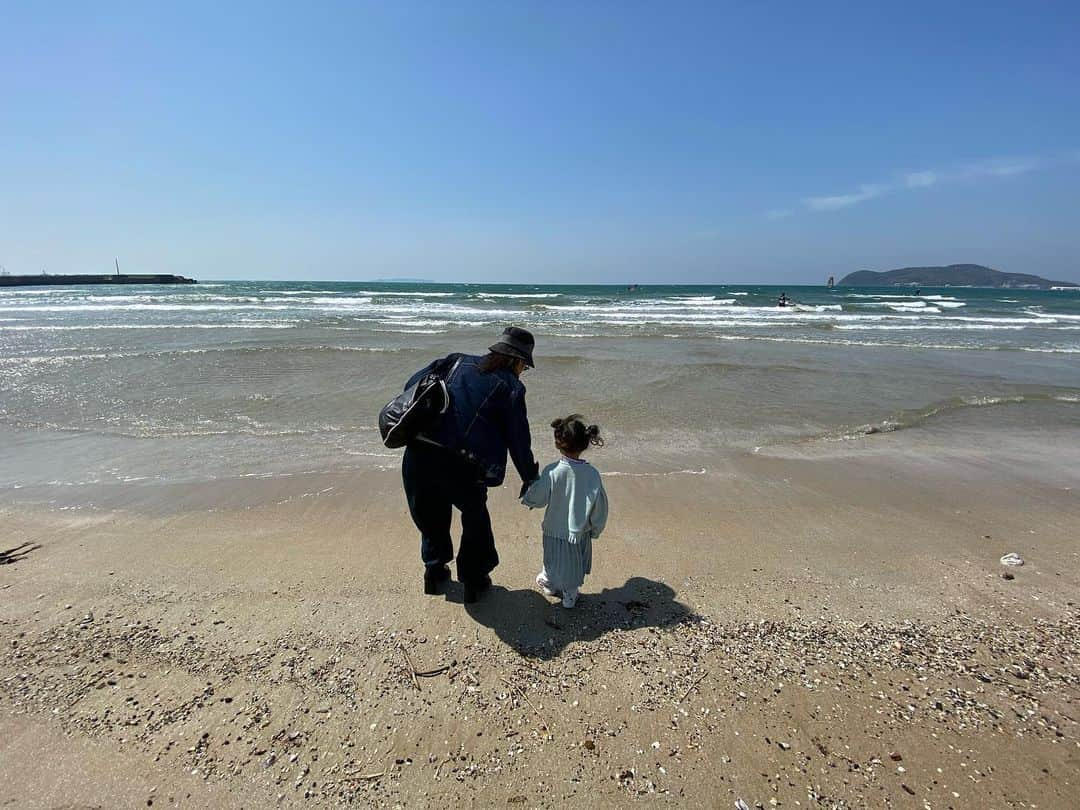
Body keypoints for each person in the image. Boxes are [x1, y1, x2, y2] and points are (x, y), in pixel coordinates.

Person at [400, 327, 539, 604]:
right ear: (517, 361)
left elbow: (412, 385)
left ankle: (434, 572)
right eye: (525, 365)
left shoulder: (455, 361)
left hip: (418, 453)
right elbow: (518, 438)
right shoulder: (511, 386)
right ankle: (474, 581)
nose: (524, 371)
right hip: (462, 466)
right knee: (475, 518)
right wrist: (529, 476)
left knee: (430, 514)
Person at [521, 415, 609, 608]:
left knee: (551, 558)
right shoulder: (592, 474)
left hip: (554, 529)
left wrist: (528, 498)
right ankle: (570, 595)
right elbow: (599, 507)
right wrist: (596, 528)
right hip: (579, 532)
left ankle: (550, 584)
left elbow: (539, 496)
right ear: (585, 444)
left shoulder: (553, 471)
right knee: (574, 565)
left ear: (557, 443)